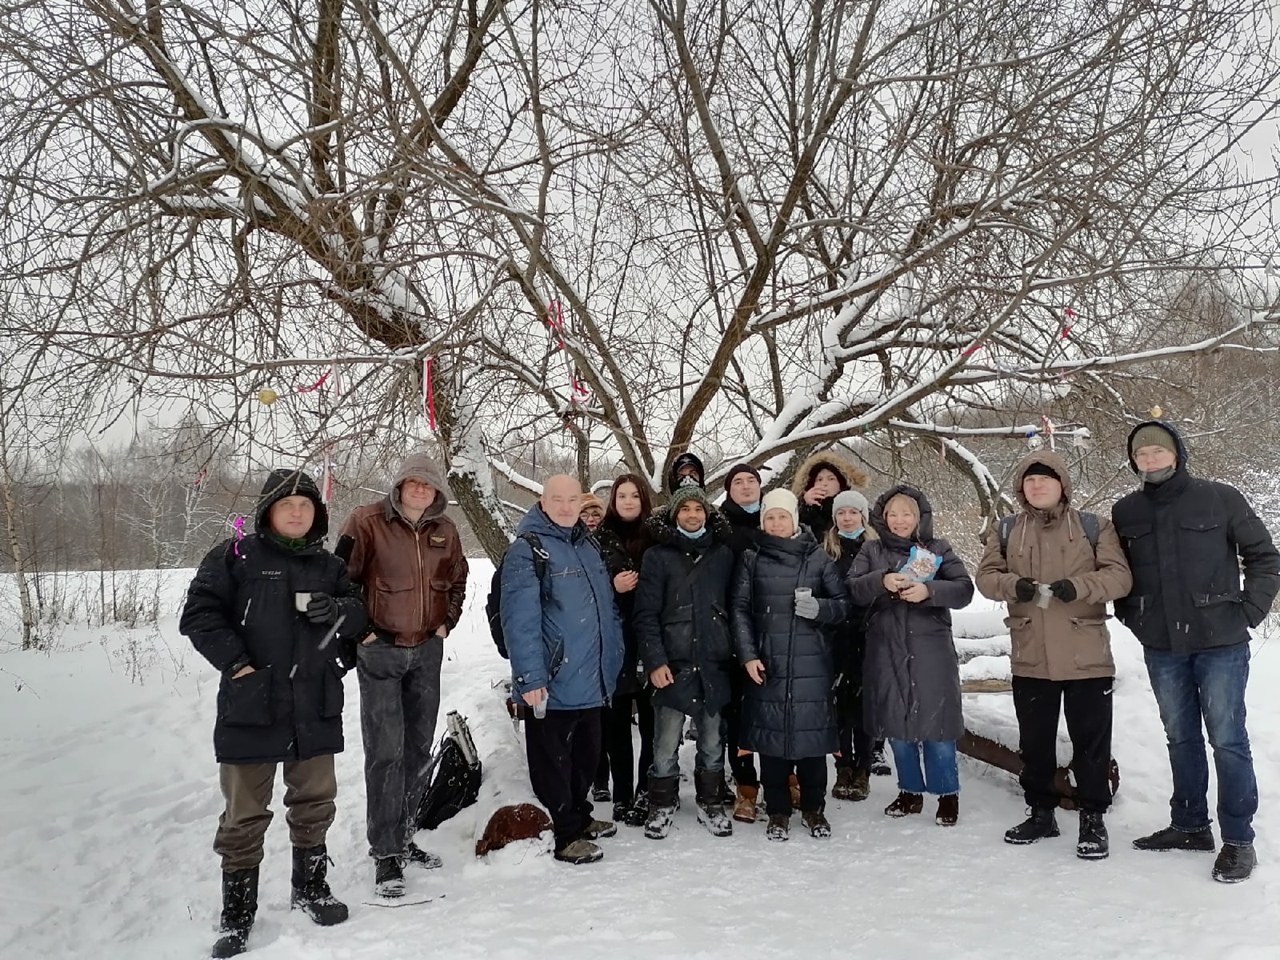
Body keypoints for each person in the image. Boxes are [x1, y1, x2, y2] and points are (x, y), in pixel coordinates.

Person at [180, 469, 367, 959]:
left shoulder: (327, 565)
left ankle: (311, 890)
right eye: (288, 505)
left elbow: (359, 614)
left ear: (316, 514)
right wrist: (237, 664)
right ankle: (236, 917)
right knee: (243, 815)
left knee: (315, 803)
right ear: (268, 511)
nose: (298, 512)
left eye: (306, 506)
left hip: (314, 703)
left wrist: (339, 614)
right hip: (252, 704)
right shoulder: (235, 557)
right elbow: (199, 614)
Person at [1112, 421, 1279, 883]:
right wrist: (1132, 614)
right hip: (1163, 644)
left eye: (1157, 452)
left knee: (1227, 739)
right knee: (1180, 736)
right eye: (1141, 454)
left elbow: (1265, 557)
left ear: (1177, 454)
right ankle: (1189, 825)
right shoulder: (1126, 510)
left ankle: (1239, 839)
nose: (1150, 459)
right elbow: (1119, 572)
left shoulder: (1219, 498)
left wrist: (1250, 610)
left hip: (1220, 640)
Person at [975, 451, 1133, 859]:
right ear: (1021, 488)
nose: (1038, 486)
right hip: (1031, 655)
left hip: (1086, 656)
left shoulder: (1093, 526)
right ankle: (1041, 813)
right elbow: (986, 578)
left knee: (1091, 743)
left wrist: (1078, 587)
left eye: (1046, 479)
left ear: (1062, 485)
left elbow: (1120, 577)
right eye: (1030, 481)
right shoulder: (1008, 528)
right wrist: (1014, 586)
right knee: (1036, 742)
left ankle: (1093, 819)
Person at [336, 452, 468, 898]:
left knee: (417, 748)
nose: (419, 489)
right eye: (412, 482)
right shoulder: (366, 521)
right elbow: (342, 583)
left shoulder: (445, 531)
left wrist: (447, 619)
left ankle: (405, 834)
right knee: (385, 752)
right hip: (382, 654)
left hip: (427, 652)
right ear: (399, 485)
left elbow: (457, 580)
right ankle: (386, 854)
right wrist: (364, 632)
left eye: (427, 484)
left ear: (437, 491)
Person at [502, 474, 626, 864]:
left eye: (574, 499)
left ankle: (580, 816)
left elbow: (604, 609)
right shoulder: (529, 550)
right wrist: (530, 677)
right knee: (554, 761)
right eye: (558, 499)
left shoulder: (586, 545)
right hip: (553, 680)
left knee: (586, 757)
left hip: (592, 677)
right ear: (543, 501)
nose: (567, 506)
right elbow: (519, 620)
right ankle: (563, 834)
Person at [848, 486, 973, 827]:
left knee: (938, 725)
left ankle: (947, 795)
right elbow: (852, 588)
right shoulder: (871, 550)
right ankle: (910, 791)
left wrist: (929, 591)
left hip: (930, 648)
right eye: (892, 514)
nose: (899, 520)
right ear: (882, 518)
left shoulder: (938, 549)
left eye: (906, 514)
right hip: (885, 647)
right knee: (896, 725)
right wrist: (882, 581)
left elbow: (964, 590)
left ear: (919, 518)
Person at [730, 488, 849, 841]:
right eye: (770, 517)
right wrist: (748, 654)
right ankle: (778, 810)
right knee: (772, 745)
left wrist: (821, 609)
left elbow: (842, 606)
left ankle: (814, 809)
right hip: (768, 664)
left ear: (794, 520)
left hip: (812, 664)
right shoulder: (751, 558)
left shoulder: (818, 559)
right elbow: (739, 608)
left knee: (812, 744)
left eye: (782, 516)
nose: (776, 523)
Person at [633, 484, 737, 839]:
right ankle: (662, 803)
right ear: (675, 514)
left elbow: (735, 606)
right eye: (685, 509)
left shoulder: (723, 554)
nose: (692, 515)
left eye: (698, 509)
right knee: (664, 743)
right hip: (672, 665)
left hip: (713, 661)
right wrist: (655, 661)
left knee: (712, 741)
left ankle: (711, 801)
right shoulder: (657, 556)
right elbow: (645, 615)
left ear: (707, 514)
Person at [593, 474, 658, 825]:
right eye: (622, 496)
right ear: (613, 501)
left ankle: (647, 792)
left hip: (651, 639)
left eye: (635, 495)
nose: (629, 501)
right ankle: (622, 795)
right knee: (616, 724)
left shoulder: (658, 536)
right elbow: (585, 587)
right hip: (613, 642)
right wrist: (612, 583)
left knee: (651, 723)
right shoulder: (598, 538)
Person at [824, 489, 878, 803]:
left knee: (865, 709)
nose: (847, 518)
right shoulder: (825, 550)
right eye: (841, 513)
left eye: (853, 512)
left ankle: (864, 768)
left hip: (870, 635)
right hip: (836, 637)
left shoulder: (875, 548)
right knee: (840, 708)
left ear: (862, 516)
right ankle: (843, 766)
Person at [719, 463, 765, 821]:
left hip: (778, 630)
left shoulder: (777, 520)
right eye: (738, 482)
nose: (746, 487)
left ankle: (786, 777)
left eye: (752, 481)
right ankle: (745, 785)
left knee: (779, 710)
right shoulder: (720, 526)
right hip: (733, 628)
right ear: (729, 489)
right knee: (738, 715)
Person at [578, 490, 611, 801]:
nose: (590, 520)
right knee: (591, 719)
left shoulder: (610, 544)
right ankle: (597, 778)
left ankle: (609, 778)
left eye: (595, 515)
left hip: (611, 637)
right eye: (585, 515)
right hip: (583, 642)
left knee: (608, 719)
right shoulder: (572, 546)